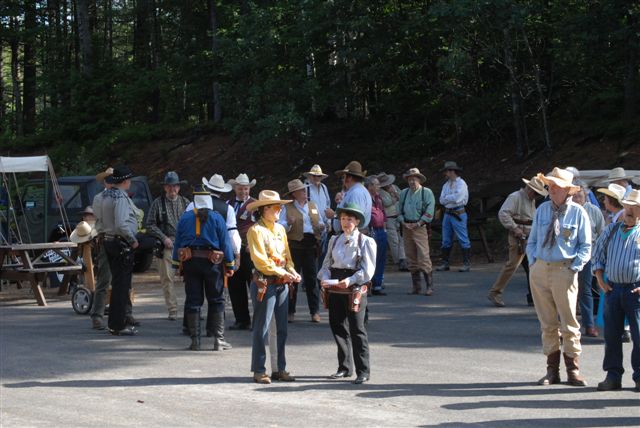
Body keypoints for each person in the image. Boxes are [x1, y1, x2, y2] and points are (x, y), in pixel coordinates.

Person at [526, 167, 591, 386]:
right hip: (541, 269)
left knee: (569, 322)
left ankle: (573, 370)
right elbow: (532, 240)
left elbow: (586, 245)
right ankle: (552, 371)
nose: (551, 189)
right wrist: (533, 263)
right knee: (547, 322)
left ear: (567, 191)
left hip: (564, 270)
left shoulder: (578, 212)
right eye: (550, 185)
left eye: (556, 186)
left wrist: (574, 267)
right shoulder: (542, 210)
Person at [246, 190, 301, 384]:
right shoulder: (255, 231)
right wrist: (282, 272)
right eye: (276, 207)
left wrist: (292, 271)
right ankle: (259, 370)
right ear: (264, 210)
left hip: (281, 284)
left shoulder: (279, 230)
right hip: (265, 283)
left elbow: (287, 258)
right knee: (261, 327)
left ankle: (280, 368)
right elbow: (260, 261)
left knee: (282, 329)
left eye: (280, 206)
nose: (280, 210)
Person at [318, 203, 376, 384]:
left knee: (357, 329)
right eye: (343, 219)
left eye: (349, 219)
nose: (345, 222)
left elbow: (368, 271)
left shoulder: (366, 241)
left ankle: (363, 371)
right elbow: (326, 264)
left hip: (355, 287)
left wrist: (349, 281)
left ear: (357, 221)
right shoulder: (334, 240)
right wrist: (325, 278)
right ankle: (344, 367)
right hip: (335, 286)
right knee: (337, 326)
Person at [172, 190, 236, 351]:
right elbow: (225, 243)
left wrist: (175, 265)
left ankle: (195, 341)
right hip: (212, 263)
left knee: (193, 300)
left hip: (190, 263)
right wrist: (230, 265)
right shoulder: (217, 218)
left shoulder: (185, 218)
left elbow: (178, 242)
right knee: (216, 299)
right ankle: (218, 340)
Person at [592, 189, 640, 392]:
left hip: (635, 292)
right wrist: (600, 279)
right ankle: (613, 376)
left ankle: (639, 377)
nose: (628, 210)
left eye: (634, 207)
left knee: (639, 337)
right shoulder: (611, 230)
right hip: (612, 289)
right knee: (611, 336)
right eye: (627, 205)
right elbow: (597, 256)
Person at [184, 174, 241, 337]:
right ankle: (215, 335)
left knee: (194, 298)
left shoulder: (190, 207)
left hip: (192, 258)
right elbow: (231, 237)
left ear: (207, 189)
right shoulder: (227, 209)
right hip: (215, 259)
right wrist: (233, 259)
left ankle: (193, 335)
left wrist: (178, 262)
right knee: (216, 298)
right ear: (222, 192)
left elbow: (182, 234)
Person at [487, 177, 547, 307]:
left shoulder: (529, 199)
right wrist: (515, 228)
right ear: (530, 189)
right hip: (519, 237)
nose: (536, 196)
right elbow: (503, 214)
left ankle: (533, 296)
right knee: (512, 265)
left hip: (529, 237)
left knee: (533, 267)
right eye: (536, 193)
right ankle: (495, 292)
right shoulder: (515, 197)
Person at [95, 165, 141, 336]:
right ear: (126, 181)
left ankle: (114, 322)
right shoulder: (120, 197)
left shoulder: (106, 196)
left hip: (109, 240)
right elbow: (121, 224)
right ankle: (118, 324)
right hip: (120, 242)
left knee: (117, 284)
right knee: (122, 286)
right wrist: (133, 240)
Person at [146, 171, 190, 321]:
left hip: (185, 246)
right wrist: (164, 238)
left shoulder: (186, 202)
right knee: (167, 279)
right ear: (165, 187)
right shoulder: (157, 203)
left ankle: (191, 308)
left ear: (179, 187)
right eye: (170, 186)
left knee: (191, 278)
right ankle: (172, 309)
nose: (173, 189)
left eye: (175, 186)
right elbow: (149, 225)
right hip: (167, 246)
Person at [280, 179, 324, 323]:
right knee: (293, 279)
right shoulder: (287, 207)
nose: (305, 193)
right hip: (295, 246)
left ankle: (315, 311)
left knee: (312, 279)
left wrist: (322, 226)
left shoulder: (312, 206)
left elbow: (321, 221)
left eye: (305, 190)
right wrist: (288, 223)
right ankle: (290, 311)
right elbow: (280, 227)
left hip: (310, 245)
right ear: (294, 194)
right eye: (302, 191)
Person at [572, 182, 605, 337]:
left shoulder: (594, 211)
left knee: (585, 290)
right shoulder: (567, 210)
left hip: (588, 254)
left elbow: (602, 233)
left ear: (585, 196)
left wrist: (598, 255)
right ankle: (565, 325)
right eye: (574, 196)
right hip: (568, 255)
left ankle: (589, 325)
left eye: (579, 195)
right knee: (566, 289)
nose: (576, 198)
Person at [226, 173, 257, 330]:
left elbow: (262, 226)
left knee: (254, 285)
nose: (243, 192)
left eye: (246, 188)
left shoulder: (257, 205)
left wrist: (254, 243)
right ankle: (241, 319)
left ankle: (258, 320)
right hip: (233, 250)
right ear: (235, 189)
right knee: (235, 286)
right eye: (240, 189)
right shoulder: (228, 204)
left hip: (250, 251)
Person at [397, 168, 436, 295]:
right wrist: (403, 222)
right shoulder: (403, 193)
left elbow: (430, 211)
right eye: (409, 179)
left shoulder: (427, 192)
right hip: (407, 226)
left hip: (420, 227)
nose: (412, 181)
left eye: (414, 178)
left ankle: (429, 286)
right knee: (410, 256)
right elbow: (399, 211)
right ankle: (416, 287)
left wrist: (419, 223)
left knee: (424, 256)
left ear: (419, 179)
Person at [436, 161, 471, 272]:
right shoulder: (446, 185)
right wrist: (449, 198)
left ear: (452, 171)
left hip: (458, 213)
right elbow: (441, 200)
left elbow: (458, 198)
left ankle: (466, 263)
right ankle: (445, 263)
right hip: (447, 213)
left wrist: (448, 198)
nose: (446, 173)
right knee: (446, 239)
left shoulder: (461, 183)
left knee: (463, 238)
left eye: (447, 171)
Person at [328, 161, 372, 233]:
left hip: (353, 234)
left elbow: (353, 218)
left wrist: (334, 215)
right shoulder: (355, 191)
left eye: (344, 177)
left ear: (350, 178)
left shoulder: (356, 193)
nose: (342, 180)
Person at [302, 165, 333, 266]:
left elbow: (328, 204)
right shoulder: (305, 188)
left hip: (324, 226)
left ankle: (320, 280)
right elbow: (303, 208)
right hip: (311, 227)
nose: (316, 178)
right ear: (310, 176)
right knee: (312, 257)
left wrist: (328, 222)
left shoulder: (324, 187)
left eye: (318, 176)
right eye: (314, 176)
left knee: (323, 256)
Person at [377, 172, 408, 271]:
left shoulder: (395, 187)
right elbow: (386, 203)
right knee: (393, 240)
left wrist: (395, 194)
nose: (389, 185)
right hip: (389, 218)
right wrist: (393, 196)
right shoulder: (380, 192)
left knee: (401, 239)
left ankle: (403, 259)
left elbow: (402, 197)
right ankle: (398, 261)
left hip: (399, 216)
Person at [365, 175, 387, 295]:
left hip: (380, 230)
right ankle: (369, 284)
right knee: (371, 258)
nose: (379, 186)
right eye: (376, 184)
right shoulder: (366, 198)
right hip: (371, 230)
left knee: (381, 257)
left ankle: (377, 284)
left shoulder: (378, 198)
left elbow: (383, 213)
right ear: (370, 186)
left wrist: (384, 228)